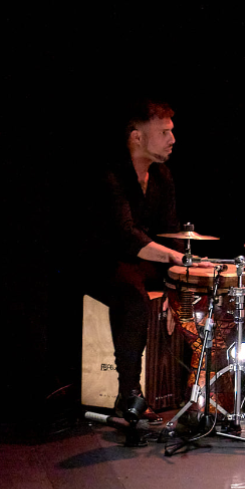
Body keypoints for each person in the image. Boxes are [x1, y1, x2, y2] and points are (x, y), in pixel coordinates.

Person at [89, 101, 202, 421]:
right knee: (133, 299)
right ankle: (129, 394)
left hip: (144, 262)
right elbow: (125, 236)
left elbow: (170, 231)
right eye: (164, 132)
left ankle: (194, 390)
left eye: (172, 131)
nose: (173, 139)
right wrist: (176, 258)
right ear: (137, 137)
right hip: (104, 261)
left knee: (199, 286)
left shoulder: (163, 176)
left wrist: (183, 272)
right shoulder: (111, 175)